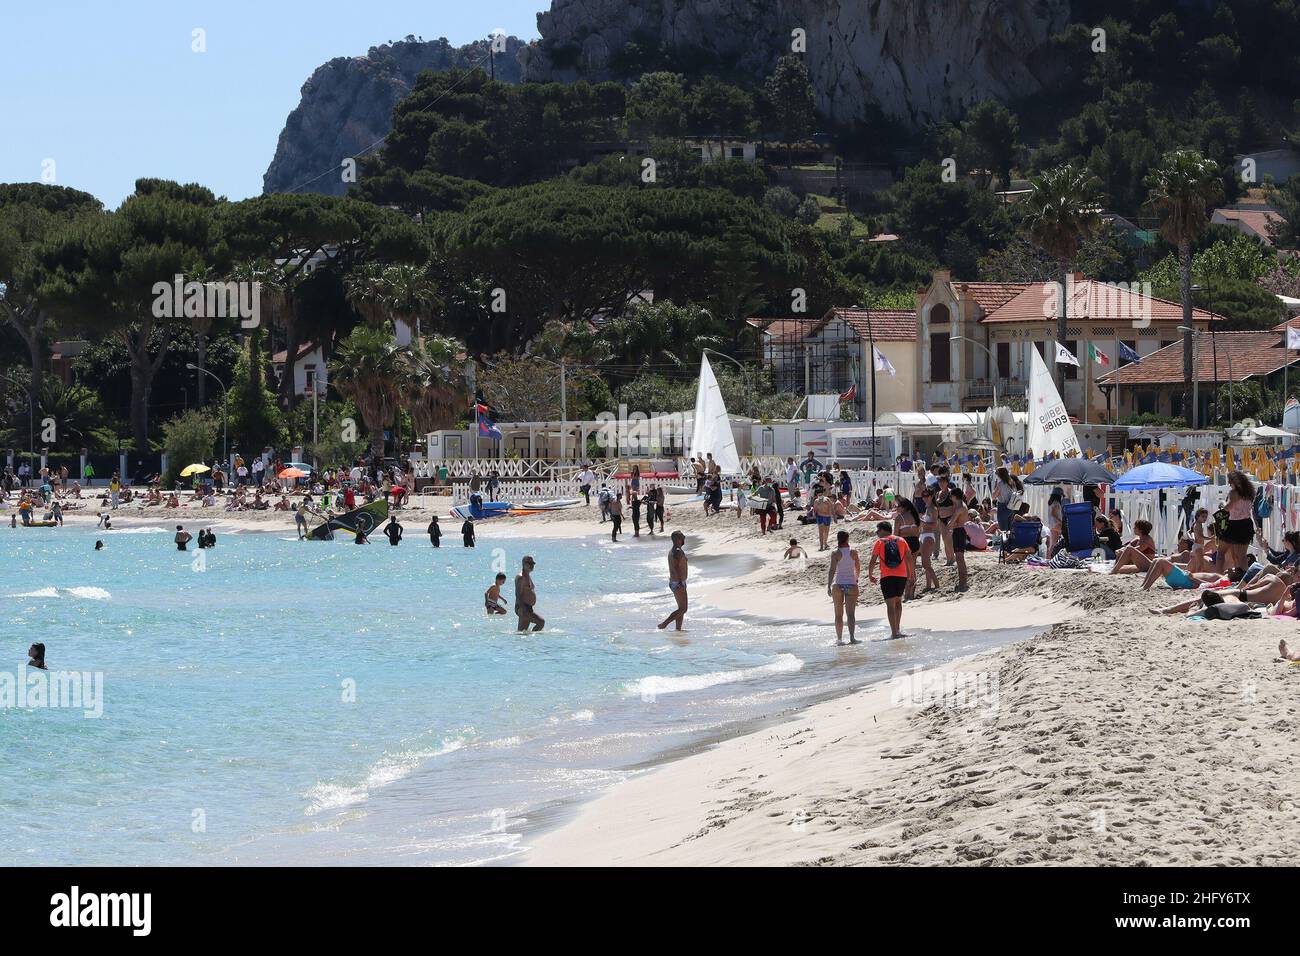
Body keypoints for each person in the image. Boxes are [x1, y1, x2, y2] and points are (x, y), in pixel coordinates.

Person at [827, 529, 862, 645]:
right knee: (851, 614)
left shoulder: (835, 553)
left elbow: (832, 570)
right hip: (851, 584)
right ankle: (852, 638)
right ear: (847, 539)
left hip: (838, 585)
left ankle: (840, 639)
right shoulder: (854, 552)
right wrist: (856, 578)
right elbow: (857, 568)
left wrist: (828, 585)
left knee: (838, 614)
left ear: (838, 539)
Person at [657, 531, 689, 631]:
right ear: (678, 539)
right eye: (682, 536)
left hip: (676, 581)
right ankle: (664, 624)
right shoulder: (677, 551)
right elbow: (676, 568)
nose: (684, 537)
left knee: (681, 608)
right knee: (683, 609)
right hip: (678, 582)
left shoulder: (674, 550)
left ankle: (678, 629)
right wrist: (680, 582)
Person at [514, 556, 545, 632]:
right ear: (524, 564)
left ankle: (520, 643)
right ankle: (535, 639)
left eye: (533, 564)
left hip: (528, 607)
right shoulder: (521, 577)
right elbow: (518, 594)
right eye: (530, 563)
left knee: (522, 632)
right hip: (523, 608)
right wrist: (521, 609)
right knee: (541, 622)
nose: (532, 565)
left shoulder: (527, 576)